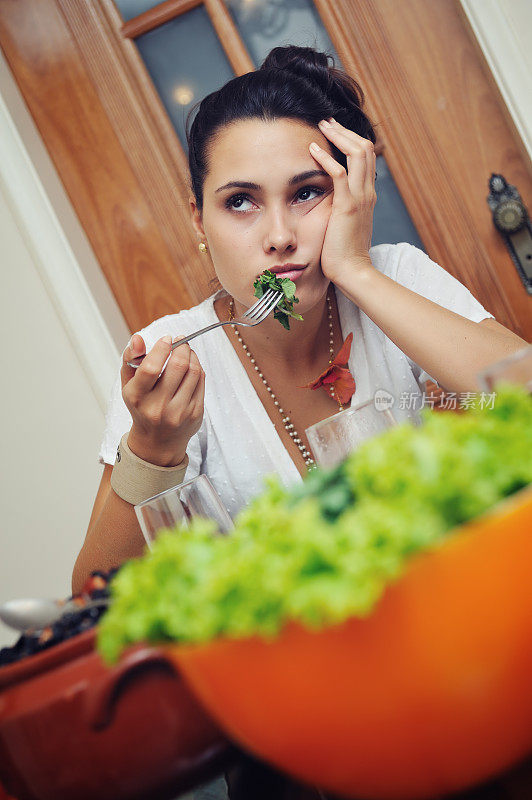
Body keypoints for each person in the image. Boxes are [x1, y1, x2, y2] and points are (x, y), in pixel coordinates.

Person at [73, 43, 526, 590]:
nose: (280, 237)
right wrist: (153, 449)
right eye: (241, 201)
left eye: (308, 193)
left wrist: (354, 268)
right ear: (199, 220)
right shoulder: (169, 356)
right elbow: (91, 598)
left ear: (349, 194)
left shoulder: (395, 277)